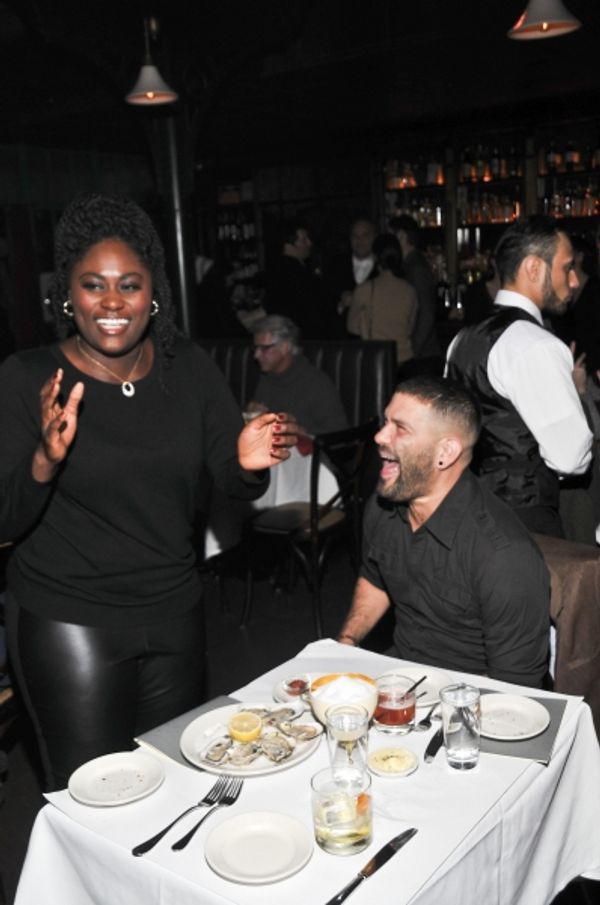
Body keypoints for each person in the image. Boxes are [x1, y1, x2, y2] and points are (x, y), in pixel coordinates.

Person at [0, 192, 298, 791]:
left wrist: (248, 463)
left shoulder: (187, 369)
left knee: (174, 786)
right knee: (93, 795)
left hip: (173, 613)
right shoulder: (29, 375)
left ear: (153, 293)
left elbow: (233, 476)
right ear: (67, 294)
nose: (112, 301)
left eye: (129, 285)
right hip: (70, 622)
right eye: (93, 284)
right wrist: (44, 459)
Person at [337, 377, 550, 688]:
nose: (380, 436)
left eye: (401, 428)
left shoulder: (503, 555)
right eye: (385, 422)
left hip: (469, 698)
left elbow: (516, 686)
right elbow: (374, 578)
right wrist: (348, 641)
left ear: (445, 453)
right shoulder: (383, 506)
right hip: (400, 676)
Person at [446, 215, 593, 538]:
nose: (574, 281)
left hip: (467, 512)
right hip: (524, 523)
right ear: (533, 268)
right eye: (567, 268)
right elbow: (572, 458)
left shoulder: (461, 339)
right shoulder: (536, 344)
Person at [249, 314, 348, 435]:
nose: (256, 355)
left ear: (285, 347)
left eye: (264, 348)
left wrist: (300, 433)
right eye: (256, 348)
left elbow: (339, 434)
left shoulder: (315, 383)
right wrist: (251, 415)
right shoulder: (267, 378)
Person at [346, 233, 418, 372]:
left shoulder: (365, 289)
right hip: (405, 359)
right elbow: (410, 327)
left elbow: (351, 327)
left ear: (375, 257)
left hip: (376, 358)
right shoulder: (409, 290)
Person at [389, 214, 441, 372]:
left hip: (422, 356)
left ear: (401, 236)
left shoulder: (415, 268)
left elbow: (426, 313)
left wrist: (412, 352)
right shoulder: (411, 265)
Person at [264, 220, 324, 339]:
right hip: (303, 338)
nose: (309, 243)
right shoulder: (296, 272)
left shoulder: (277, 268)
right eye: (303, 240)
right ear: (288, 244)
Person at [324, 218, 377, 337]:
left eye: (365, 235)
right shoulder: (335, 265)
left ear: (374, 237)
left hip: (375, 338)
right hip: (341, 339)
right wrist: (341, 303)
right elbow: (324, 300)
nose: (360, 240)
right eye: (355, 236)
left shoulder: (383, 267)